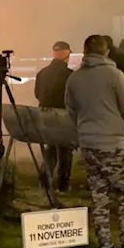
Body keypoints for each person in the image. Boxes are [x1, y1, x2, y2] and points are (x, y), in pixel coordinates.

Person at [63, 34, 124, 248]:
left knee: (99, 197)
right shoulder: (114, 75)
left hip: (89, 144)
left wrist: (83, 130)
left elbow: (71, 110)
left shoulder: (74, 78)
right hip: (115, 144)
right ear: (107, 51)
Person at [34, 41, 74, 192]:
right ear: (68, 55)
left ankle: (44, 182)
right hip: (63, 117)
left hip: (45, 116)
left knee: (50, 150)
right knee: (65, 150)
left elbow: (37, 94)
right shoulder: (69, 75)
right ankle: (63, 185)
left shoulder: (42, 73)